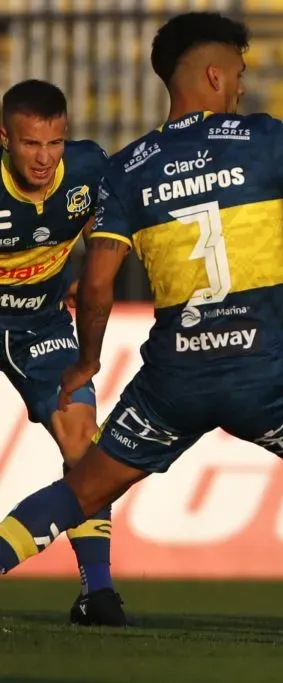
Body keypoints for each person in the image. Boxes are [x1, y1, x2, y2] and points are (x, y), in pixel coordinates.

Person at [0, 12, 283, 646]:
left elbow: (98, 285)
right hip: (266, 370)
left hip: (173, 381)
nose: (241, 87)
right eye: (238, 74)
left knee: (82, 489)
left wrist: (89, 360)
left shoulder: (127, 166)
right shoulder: (267, 139)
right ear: (215, 74)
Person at [0, 79, 130, 626]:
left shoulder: (87, 169)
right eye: (31, 144)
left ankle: (96, 593)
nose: (44, 158)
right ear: (4, 137)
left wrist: (86, 271)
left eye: (54, 143)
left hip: (41, 322)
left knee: (84, 440)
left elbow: (105, 229)